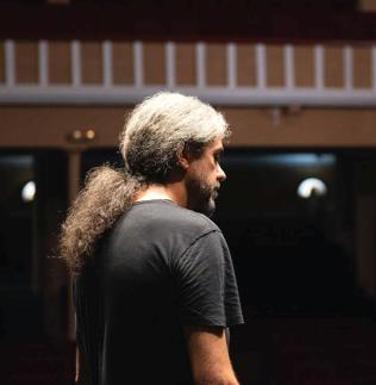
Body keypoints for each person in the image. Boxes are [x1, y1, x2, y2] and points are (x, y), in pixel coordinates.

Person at [59, 92, 244, 385]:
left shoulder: (94, 233)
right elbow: (214, 379)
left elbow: (84, 377)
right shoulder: (195, 234)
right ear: (183, 155)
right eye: (215, 156)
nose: (221, 173)